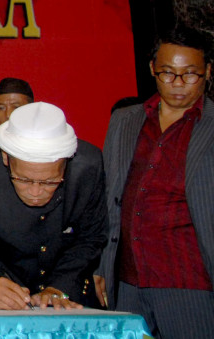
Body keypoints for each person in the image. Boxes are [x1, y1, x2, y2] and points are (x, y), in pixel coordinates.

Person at [98, 26, 214, 337]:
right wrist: (100, 267)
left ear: (207, 72)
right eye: (167, 73)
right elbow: (108, 197)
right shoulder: (125, 120)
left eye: (190, 74)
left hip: (190, 282)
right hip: (127, 282)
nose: (178, 84)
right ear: (152, 69)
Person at [0, 102, 106, 310]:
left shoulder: (88, 168)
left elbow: (90, 238)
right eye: (23, 179)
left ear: (67, 162)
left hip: (68, 291)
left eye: (50, 182)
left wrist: (60, 287)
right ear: (6, 157)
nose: (35, 192)